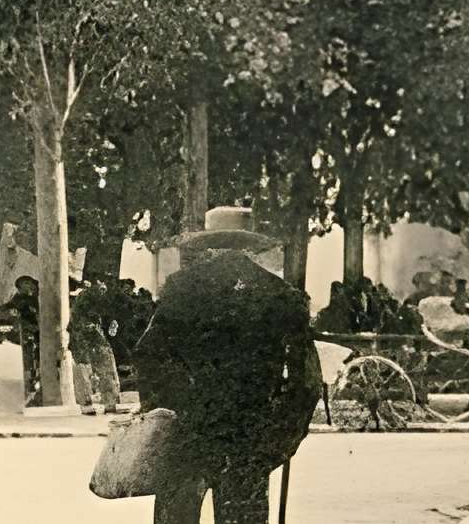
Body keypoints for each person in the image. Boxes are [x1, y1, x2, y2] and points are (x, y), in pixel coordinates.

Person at [127, 206, 323, 524]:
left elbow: (147, 356)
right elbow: (308, 381)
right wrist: (282, 436)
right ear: (250, 247)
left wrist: (165, 409)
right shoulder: (280, 294)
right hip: (250, 436)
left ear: (209, 245)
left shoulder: (180, 289)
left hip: (187, 430)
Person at [68, 280, 122, 414]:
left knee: (104, 368)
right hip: (82, 338)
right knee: (84, 369)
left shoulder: (102, 299)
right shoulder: (85, 298)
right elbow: (77, 322)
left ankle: (108, 402)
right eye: (100, 286)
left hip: (95, 338)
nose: (103, 290)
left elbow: (107, 315)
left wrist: (112, 322)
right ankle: (88, 403)